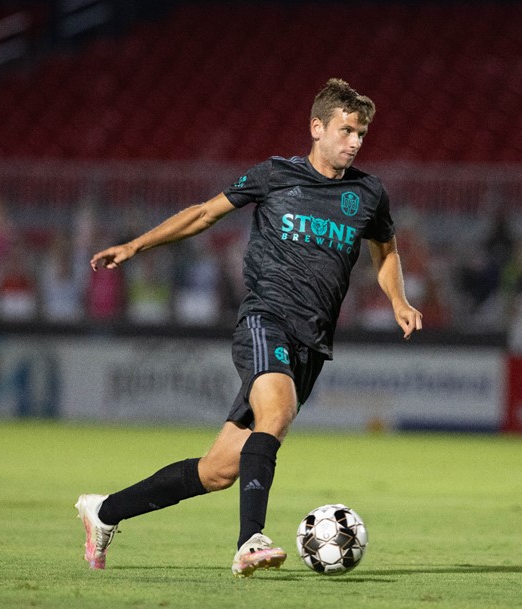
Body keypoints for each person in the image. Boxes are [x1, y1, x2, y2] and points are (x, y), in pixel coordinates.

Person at [75, 78, 422, 576]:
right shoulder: (275, 175)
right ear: (316, 127)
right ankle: (249, 542)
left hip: (313, 341)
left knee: (218, 471)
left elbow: (385, 251)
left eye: (362, 134)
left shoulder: (368, 193)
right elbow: (202, 214)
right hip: (265, 319)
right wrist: (135, 246)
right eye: (346, 130)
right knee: (275, 414)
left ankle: (103, 511)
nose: (355, 142)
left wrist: (399, 299)